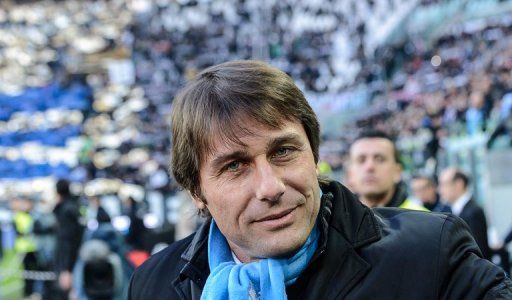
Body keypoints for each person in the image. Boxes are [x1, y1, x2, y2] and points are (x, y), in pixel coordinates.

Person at [128, 60, 511, 299]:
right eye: (234, 166)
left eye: (283, 152)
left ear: (314, 155)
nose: (270, 187)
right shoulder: (152, 285)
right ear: (197, 192)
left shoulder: (432, 255)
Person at [347, 130, 427, 210]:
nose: (369, 167)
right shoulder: (337, 221)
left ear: (397, 172)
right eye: (361, 160)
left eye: (379, 159)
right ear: (350, 174)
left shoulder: (424, 220)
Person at [438, 167, 492, 260]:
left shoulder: (473, 211)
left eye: (444, 184)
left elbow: (479, 252)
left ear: (459, 184)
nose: (440, 190)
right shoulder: (450, 210)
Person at [53, 179, 85, 299]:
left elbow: (67, 241)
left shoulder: (67, 210)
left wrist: (66, 269)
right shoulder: (75, 206)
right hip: (76, 259)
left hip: (71, 263)